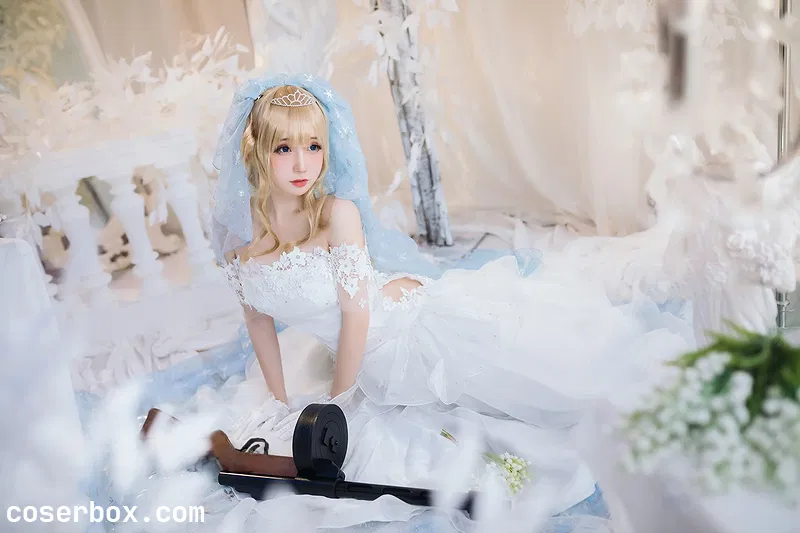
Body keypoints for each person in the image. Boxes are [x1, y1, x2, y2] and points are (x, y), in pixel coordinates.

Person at [201, 74, 693, 530]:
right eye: (284, 148)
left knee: (542, 380)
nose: (302, 164)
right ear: (257, 149)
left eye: (313, 146)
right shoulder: (237, 233)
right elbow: (258, 321)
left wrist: (340, 401)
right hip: (351, 344)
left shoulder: (336, 214)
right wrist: (279, 399)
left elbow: (357, 314)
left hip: (395, 333)